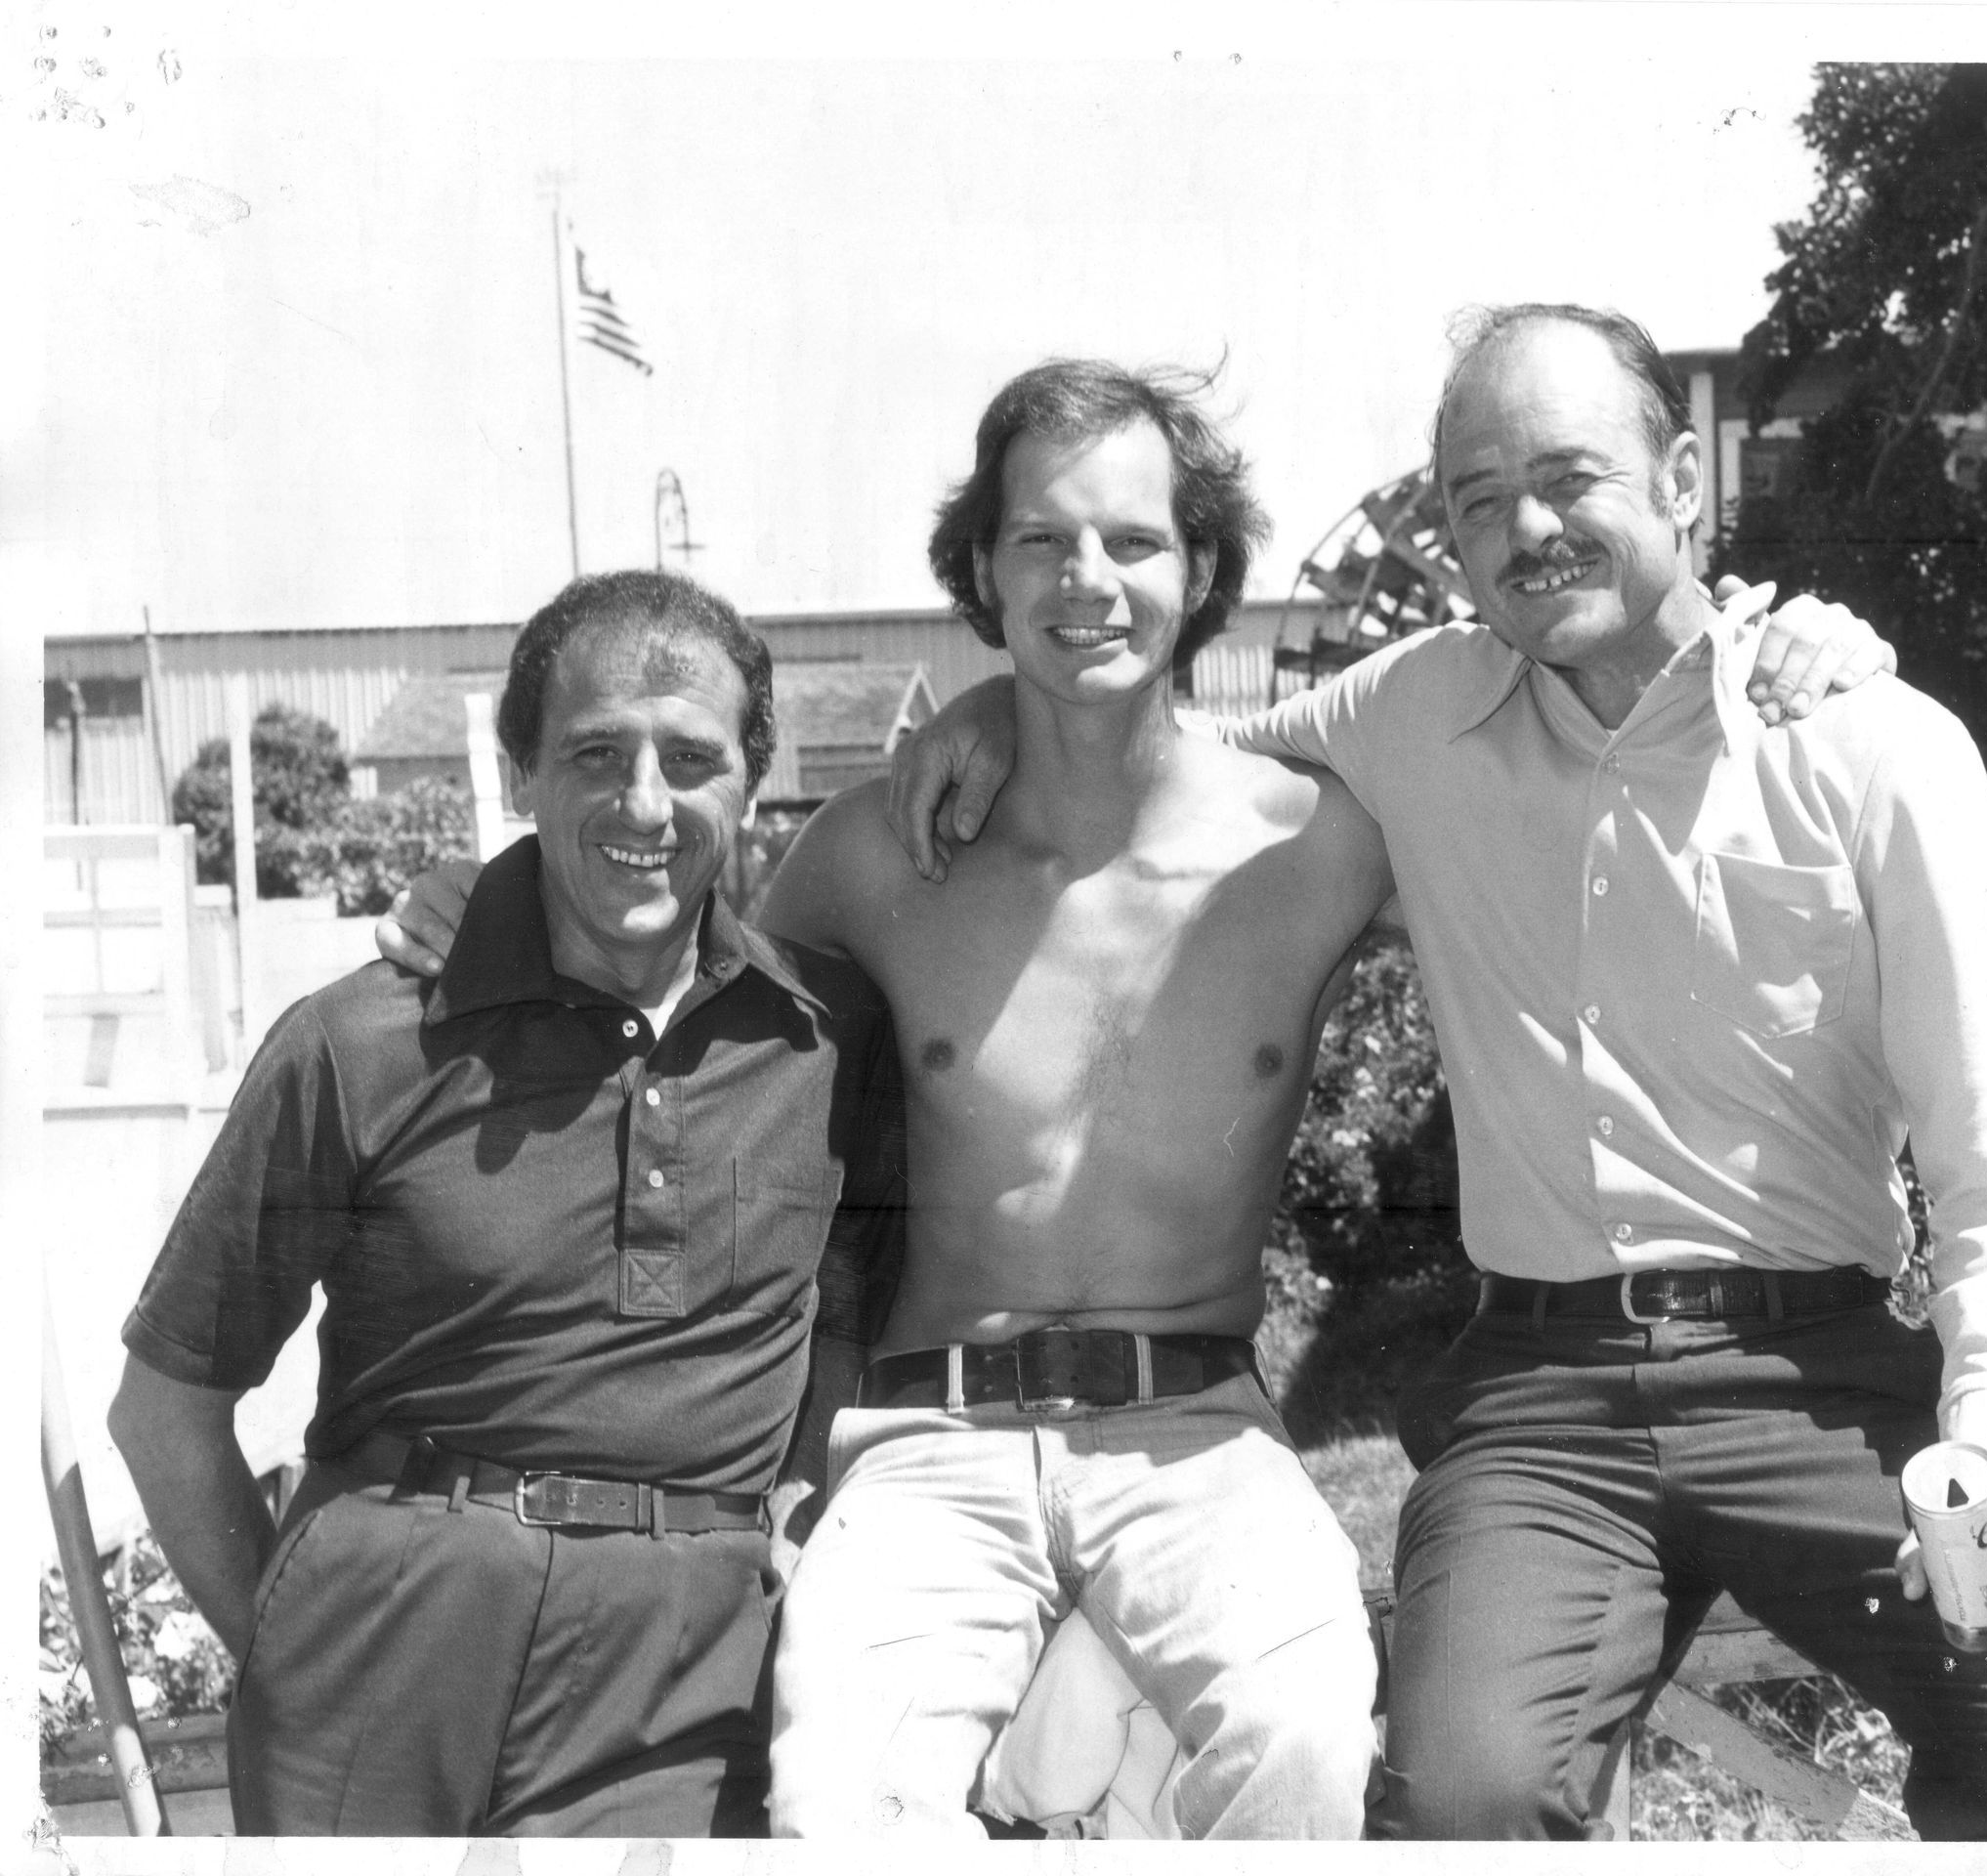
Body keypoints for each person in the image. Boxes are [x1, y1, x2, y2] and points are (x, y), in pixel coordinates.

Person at [380, 360, 1889, 1839]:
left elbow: (1601, 804)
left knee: (1306, 1755)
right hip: (926, 1441)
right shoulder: (874, 855)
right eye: (1040, 539)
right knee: (842, 1811)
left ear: (1202, 567)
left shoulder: (1319, 842)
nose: (1085, 580)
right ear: (983, 570)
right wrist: (490, 903)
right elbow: (669, 986)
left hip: (1201, 1434)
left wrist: (1782, 641)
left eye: (1131, 540)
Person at [888, 305, 1987, 1841]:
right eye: (1480, 499)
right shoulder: (1409, 711)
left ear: (1680, 482)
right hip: (1543, 1405)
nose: (1527, 530)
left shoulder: (1872, 745)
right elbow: (1161, 760)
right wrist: (998, 704)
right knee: (1465, 1804)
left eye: (1569, 478)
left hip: (1825, 1385)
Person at [108, 570, 903, 1837]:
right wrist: (289, 1655)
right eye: (595, 753)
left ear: (753, 780)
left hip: (689, 1668)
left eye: (692, 758)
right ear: (520, 771)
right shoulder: (357, 1041)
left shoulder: (834, 1039)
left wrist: (799, 1531)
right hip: (382, 1636)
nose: (645, 802)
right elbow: (165, 1408)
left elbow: (849, 1338)